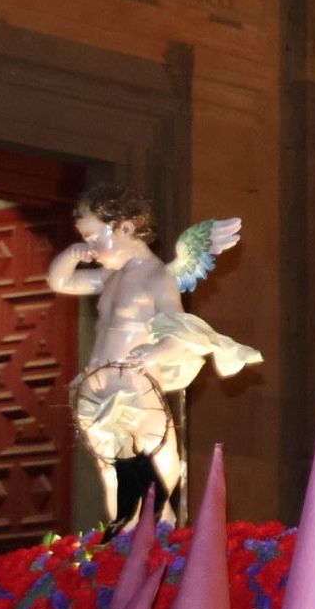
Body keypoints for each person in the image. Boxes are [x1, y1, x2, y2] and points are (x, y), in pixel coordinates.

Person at [47, 184, 259, 526]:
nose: (88, 247)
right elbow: (60, 283)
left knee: (151, 455)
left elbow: (179, 330)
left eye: (92, 237)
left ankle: (159, 525)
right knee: (110, 471)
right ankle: (125, 532)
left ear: (126, 228)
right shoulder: (110, 277)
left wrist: (155, 351)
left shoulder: (157, 277)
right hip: (97, 385)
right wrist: (71, 256)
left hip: (133, 386)